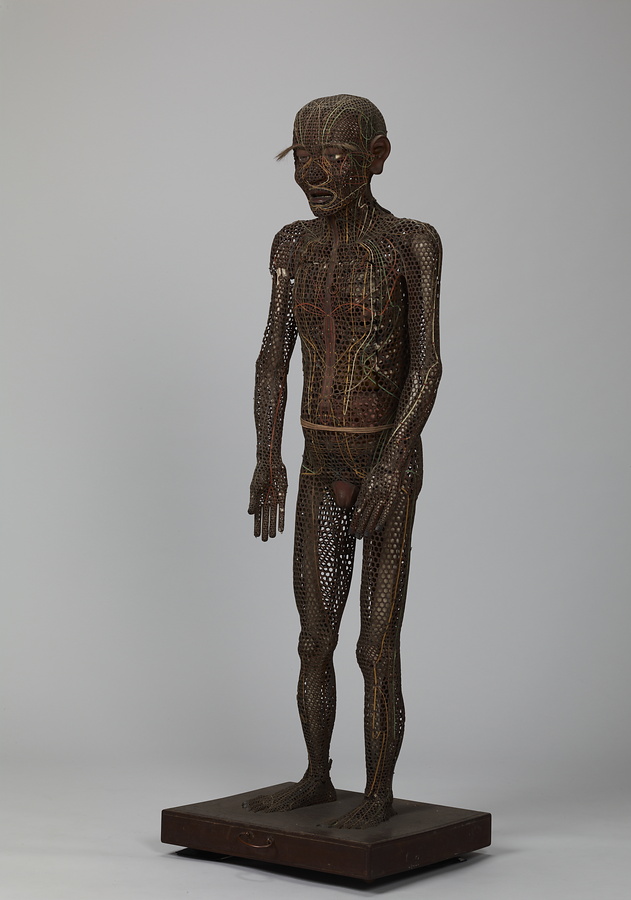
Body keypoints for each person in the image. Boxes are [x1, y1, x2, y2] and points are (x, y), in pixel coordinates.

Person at [246, 95, 442, 828]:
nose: (314, 174)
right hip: (318, 460)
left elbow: (426, 364)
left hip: (384, 465)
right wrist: (268, 454)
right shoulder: (292, 246)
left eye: (334, 158)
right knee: (314, 639)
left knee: (375, 645)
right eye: (301, 158)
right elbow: (273, 359)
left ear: (377, 158)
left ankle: (380, 792)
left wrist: (392, 463)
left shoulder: (411, 244)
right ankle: (318, 776)